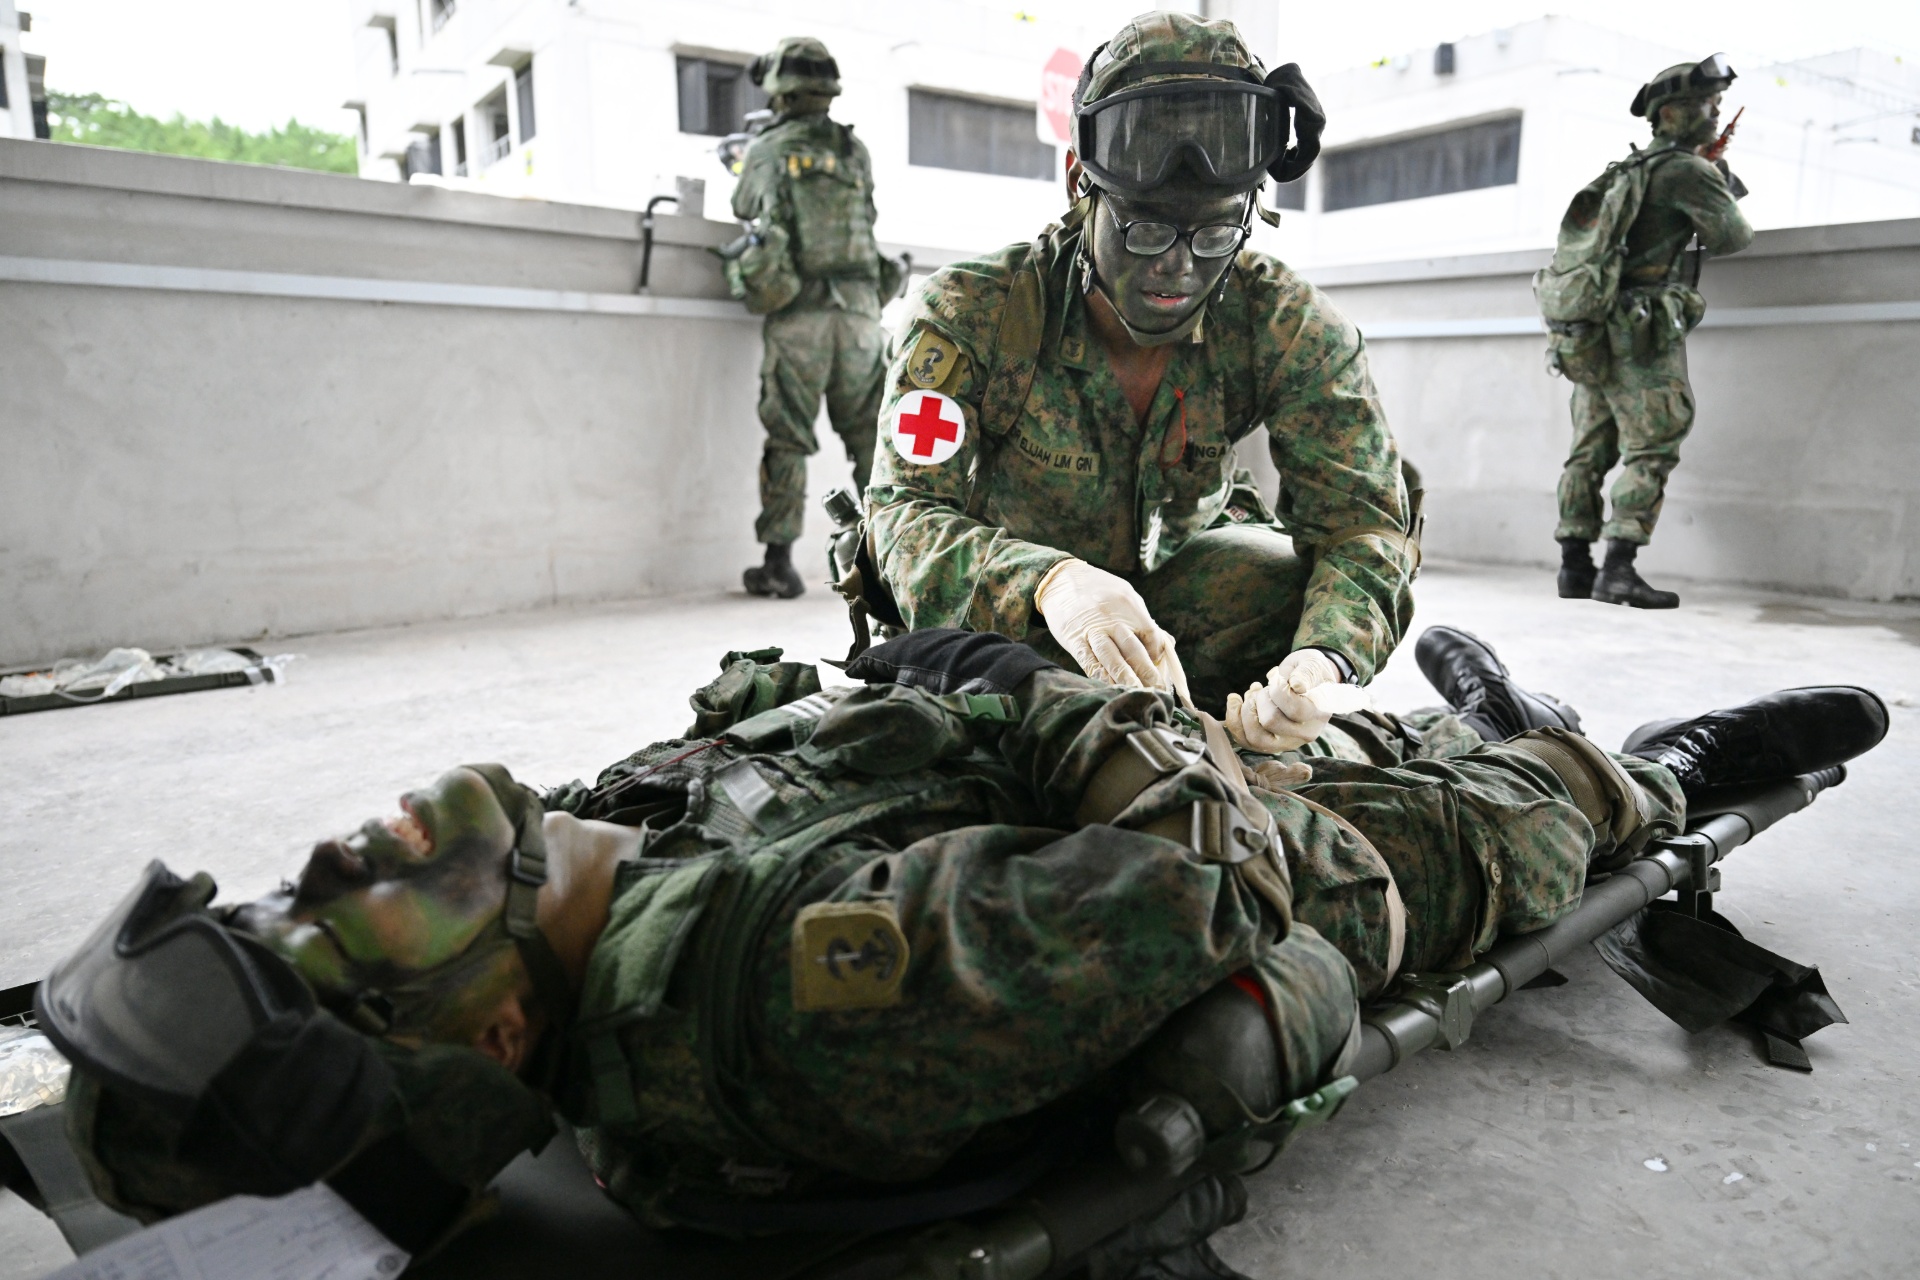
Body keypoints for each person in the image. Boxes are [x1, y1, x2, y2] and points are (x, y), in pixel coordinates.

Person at [41, 627, 1885, 1279]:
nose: (321, 863)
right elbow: (1214, 880)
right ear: (496, 1032)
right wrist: (1031, 692)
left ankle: (1476, 708)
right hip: (1344, 862)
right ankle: (1628, 758)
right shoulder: (788, 1000)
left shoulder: (575, 852)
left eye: (272, 894)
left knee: (1353, 720)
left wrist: (939, 683)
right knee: (1540, 797)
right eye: (325, 938)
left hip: (1140, 776)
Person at [862, 12, 1417, 757]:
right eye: (1145, 231)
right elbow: (901, 517)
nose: (1176, 267)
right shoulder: (973, 312)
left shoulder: (1283, 323)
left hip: (1175, 615)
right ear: (1078, 183)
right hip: (1014, 626)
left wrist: (1323, 664)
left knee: (1286, 586)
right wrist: (1050, 582)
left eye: (1215, 235)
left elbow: (1363, 527)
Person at [1550, 55, 1753, 609]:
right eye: (1705, 104)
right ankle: (1619, 569)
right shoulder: (1687, 171)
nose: (1715, 113)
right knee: (1654, 444)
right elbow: (1733, 236)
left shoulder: (1628, 168)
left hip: (1591, 327)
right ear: (1671, 113)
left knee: (1588, 449)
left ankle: (1574, 567)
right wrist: (1717, 172)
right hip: (1641, 331)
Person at [731, 37, 891, 600]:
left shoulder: (767, 149)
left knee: (789, 438)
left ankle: (778, 563)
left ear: (779, 89)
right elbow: (867, 217)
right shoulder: (854, 150)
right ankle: (894, 556)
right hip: (861, 313)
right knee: (870, 440)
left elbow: (743, 205)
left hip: (800, 314)